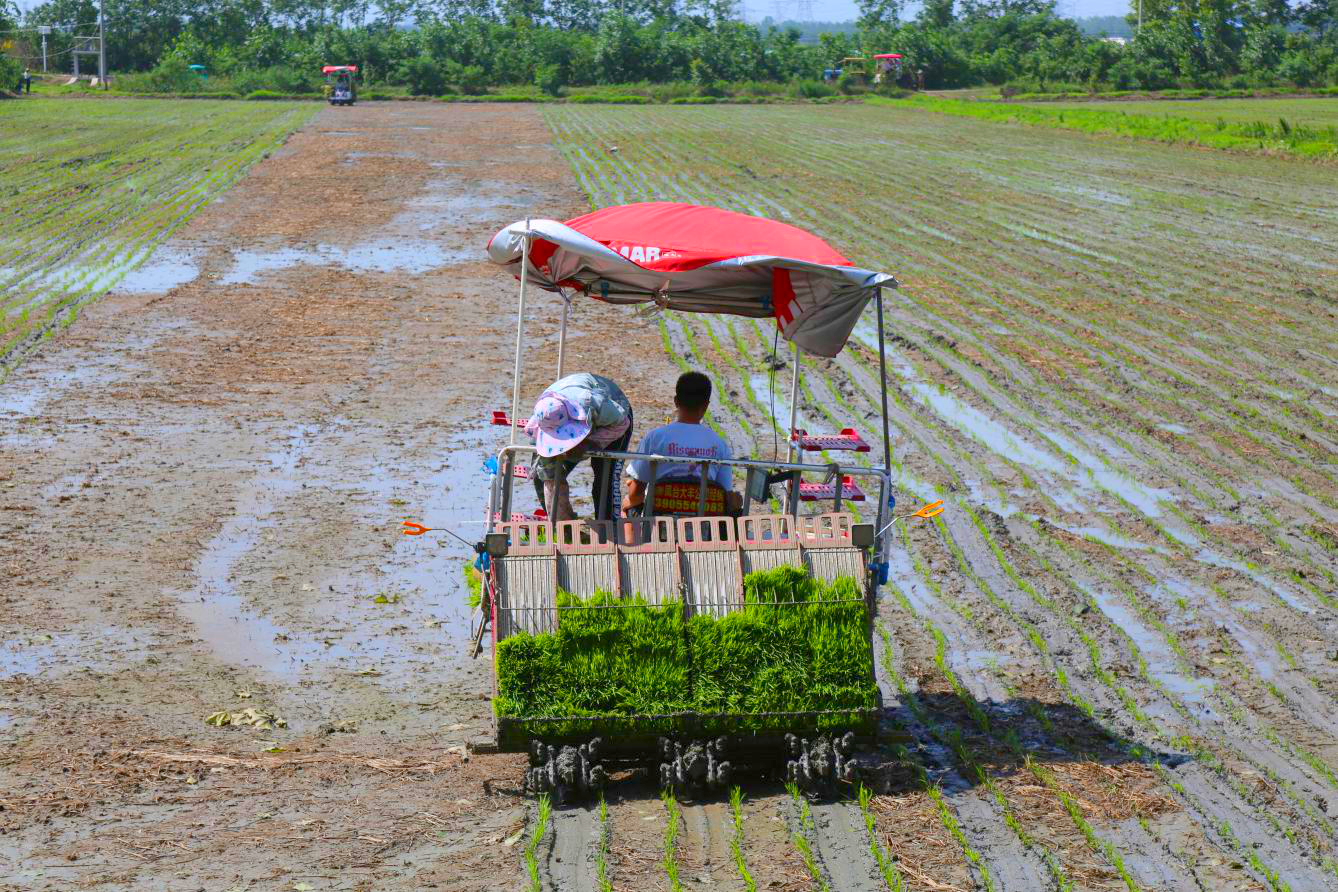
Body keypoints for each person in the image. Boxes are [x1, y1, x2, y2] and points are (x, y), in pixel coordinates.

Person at [623, 372, 741, 516]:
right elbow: (725, 494)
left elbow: (637, 491)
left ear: (676, 401)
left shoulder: (655, 437)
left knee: (626, 507)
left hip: (659, 517)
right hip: (703, 520)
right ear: (706, 405)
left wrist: (629, 501)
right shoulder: (719, 444)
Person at [525, 372, 633, 521]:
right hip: (575, 410)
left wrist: (590, 443)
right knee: (543, 474)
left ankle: (608, 528)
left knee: (605, 478)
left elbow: (622, 423)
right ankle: (563, 527)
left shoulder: (592, 403)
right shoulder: (542, 417)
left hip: (613, 416)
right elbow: (546, 470)